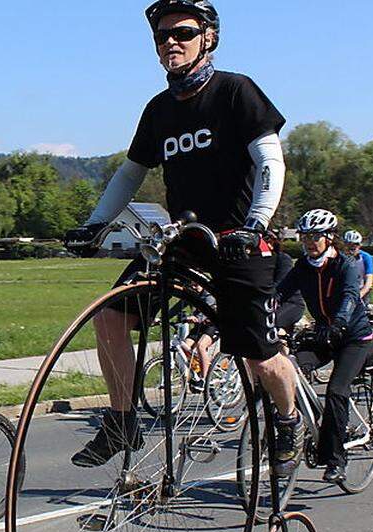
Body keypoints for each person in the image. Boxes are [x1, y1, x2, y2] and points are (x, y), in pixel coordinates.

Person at [62, 0, 301, 472]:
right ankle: (122, 420)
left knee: (259, 355)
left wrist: (255, 224)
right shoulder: (159, 110)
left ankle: (287, 419)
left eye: (184, 32)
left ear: (208, 37)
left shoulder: (236, 91)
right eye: (162, 35)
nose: (171, 41)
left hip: (238, 241)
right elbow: (130, 175)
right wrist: (95, 225)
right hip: (186, 242)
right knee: (110, 316)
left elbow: (270, 160)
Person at [277, 210, 373, 483]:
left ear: (330, 238)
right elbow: (279, 294)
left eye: (316, 237)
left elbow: (349, 296)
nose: (310, 242)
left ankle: (337, 461)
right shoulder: (303, 267)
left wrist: (339, 323)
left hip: (352, 337)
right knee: (287, 369)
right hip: (324, 333)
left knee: (336, 391)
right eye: (305, 237)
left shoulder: (344, 265)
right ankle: (299, 427)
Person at [270, 229, 306, 335]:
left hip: (291, 303)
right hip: (270, 302)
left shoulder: (283, 259)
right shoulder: (259, 261)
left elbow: (281, 285)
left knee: (268, 322)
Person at [343, 230, 373, 299]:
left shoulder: (366, 257)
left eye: (355, 244)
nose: (352, 247)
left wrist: (360, 295)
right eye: (349, 244)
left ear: (360, 245)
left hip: (361, 290)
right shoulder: (340, 257)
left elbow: (369, 281)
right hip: (343, 291)